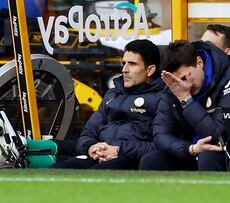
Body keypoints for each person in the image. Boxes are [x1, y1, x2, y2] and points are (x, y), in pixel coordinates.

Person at [51, 39, 164, 169]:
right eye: (123, 63)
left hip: (130, 159)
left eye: (132, 64)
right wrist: (91, 147)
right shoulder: (112, 94)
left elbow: (159, 146)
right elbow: (88, 133)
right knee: (57, 170)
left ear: (150, 70)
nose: (124, 69)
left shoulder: (163, 98)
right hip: (99, 155)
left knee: (97, 174)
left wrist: (118, 150)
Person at [139, 40, 230, 171]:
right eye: (176, 80)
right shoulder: (174, 86)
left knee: (208, 157)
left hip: (225, 151)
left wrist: (186, 99)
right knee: (151, 161)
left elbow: (218, 134)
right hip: (191, 150)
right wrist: (191, 149)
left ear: (199, 63)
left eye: (185, 77)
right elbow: (160, 134)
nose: (181, 85)